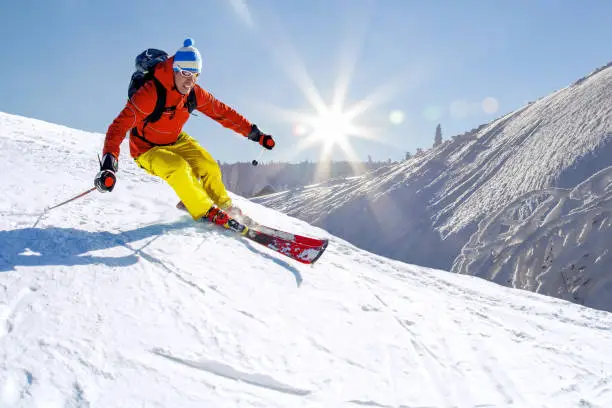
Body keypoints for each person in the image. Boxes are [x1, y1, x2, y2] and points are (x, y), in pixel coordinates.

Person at [94, 38, 275, 226]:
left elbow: (223, 113)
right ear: (174, 69)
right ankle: (205, 211)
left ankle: (226, 207)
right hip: (146, 148)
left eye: (195, 75)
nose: (190, 81)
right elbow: (118, 127)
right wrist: (108, 164)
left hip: (176, 139)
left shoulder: (194, 93)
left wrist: (256, 135)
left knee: (208, 165)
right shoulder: (150, 93)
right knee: (178, 167)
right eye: (185, 73)